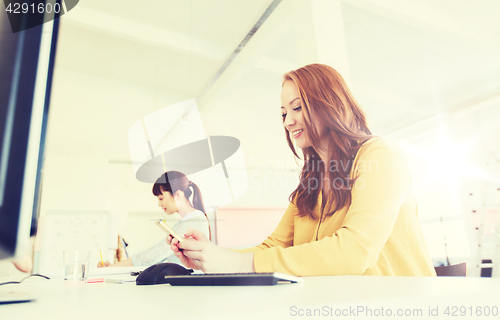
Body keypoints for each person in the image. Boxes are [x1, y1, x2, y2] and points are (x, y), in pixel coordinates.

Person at [169, 63, 436, 277]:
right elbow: (274, 247)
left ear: (330, 104)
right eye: (283, 113)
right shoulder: (311, 183)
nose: (288, 121)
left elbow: (355, 252)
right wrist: (209, 256)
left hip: (399, 305)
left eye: (297, 107)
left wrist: (236, 263)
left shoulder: (381, 155)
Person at [98, 171, 210, 267]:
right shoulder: (189, 220)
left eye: (161, 198)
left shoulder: (193, 220)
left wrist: (113, 267)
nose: (159, 204)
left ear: (178, 195)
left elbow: (153, 255)